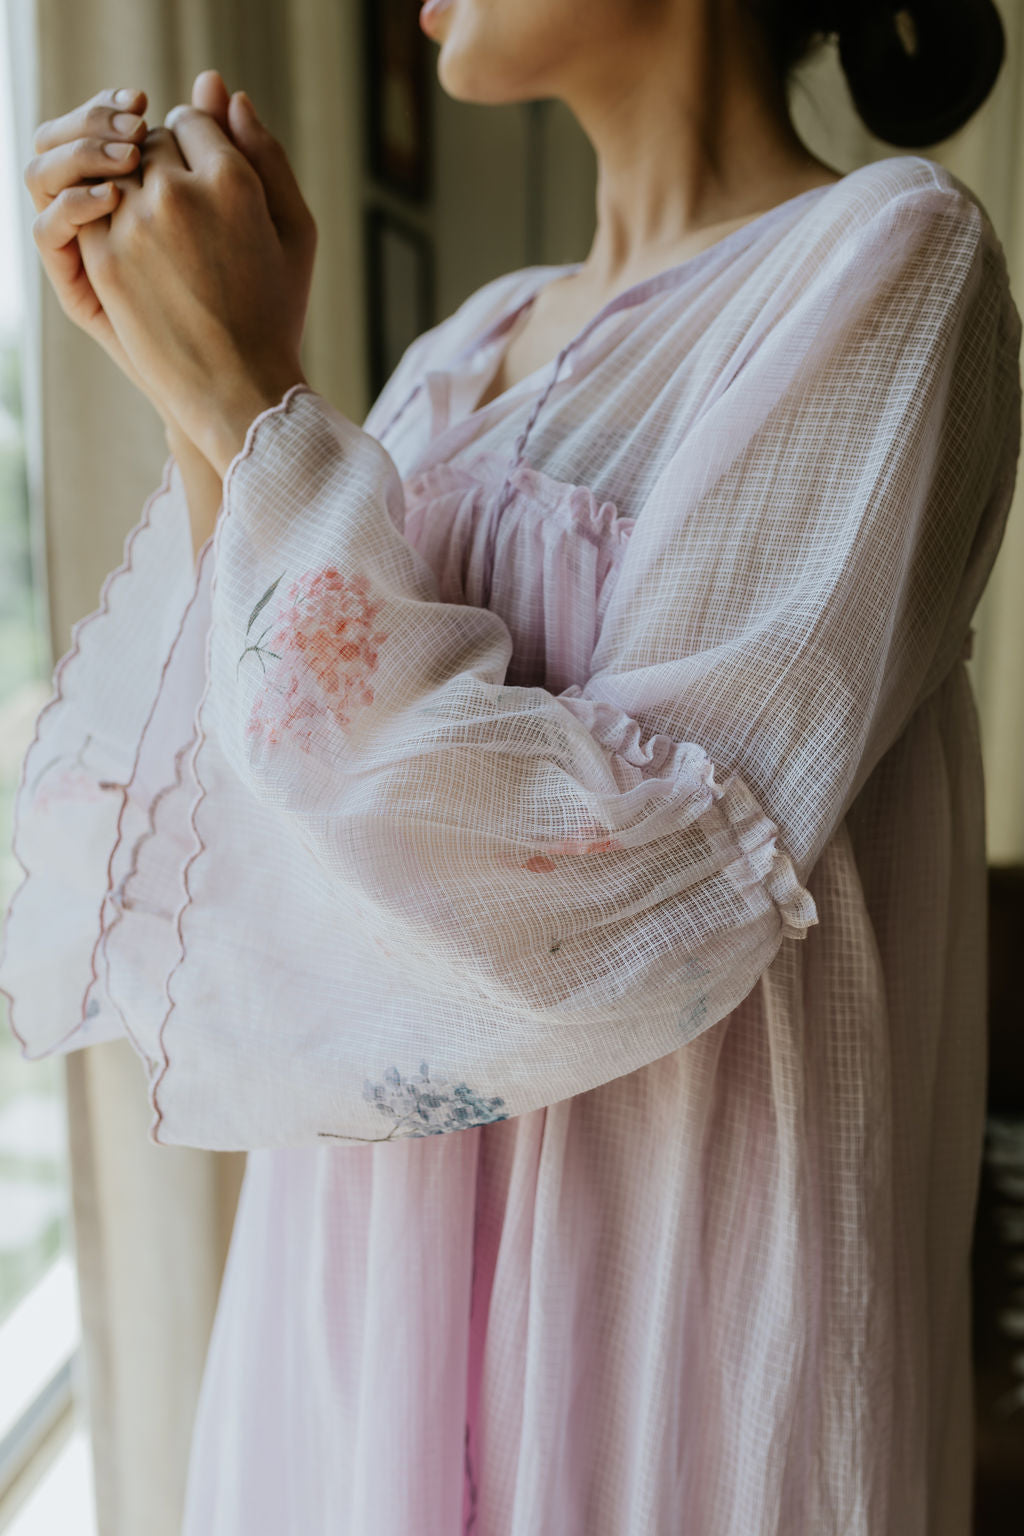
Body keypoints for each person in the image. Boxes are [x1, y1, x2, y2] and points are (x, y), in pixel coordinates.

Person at [2, 0, 1020, 1530]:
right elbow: (269, 827)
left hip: (663, 1301)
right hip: (359, 1301)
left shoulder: (889, 261)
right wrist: (206, 389)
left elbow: (622, 880)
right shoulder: (456, 354)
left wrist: (252, 405)